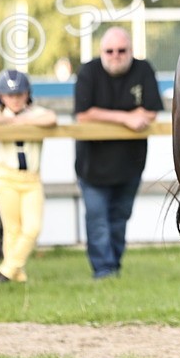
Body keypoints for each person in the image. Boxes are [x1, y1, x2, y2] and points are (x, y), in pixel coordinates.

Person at [74, 27, 162, 279]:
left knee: (119, 219)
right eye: (109, 51)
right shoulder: (88, 72)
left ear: (130, 51)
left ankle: (113, 266)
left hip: (130, 165)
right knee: (98, 221)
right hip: (92, 167)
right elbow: (83, 114)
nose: (115, 55)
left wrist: (114, 117)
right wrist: (126, 117)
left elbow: (151, 111)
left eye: (121, 50)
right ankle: (103, 271)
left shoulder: (143, 69)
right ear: (101, 52)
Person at [0, 70, 57, 283]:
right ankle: (18, 276)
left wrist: (23, 120)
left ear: (27, 95)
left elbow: (51, 118)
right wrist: (14, 122)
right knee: (12, 228)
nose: (15, 100)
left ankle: (5, 271)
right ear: (2, 97)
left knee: (32, 227)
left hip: (31, 178)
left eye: (19, 95)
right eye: (10, 95)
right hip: (6, 177)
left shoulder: (37, 113)